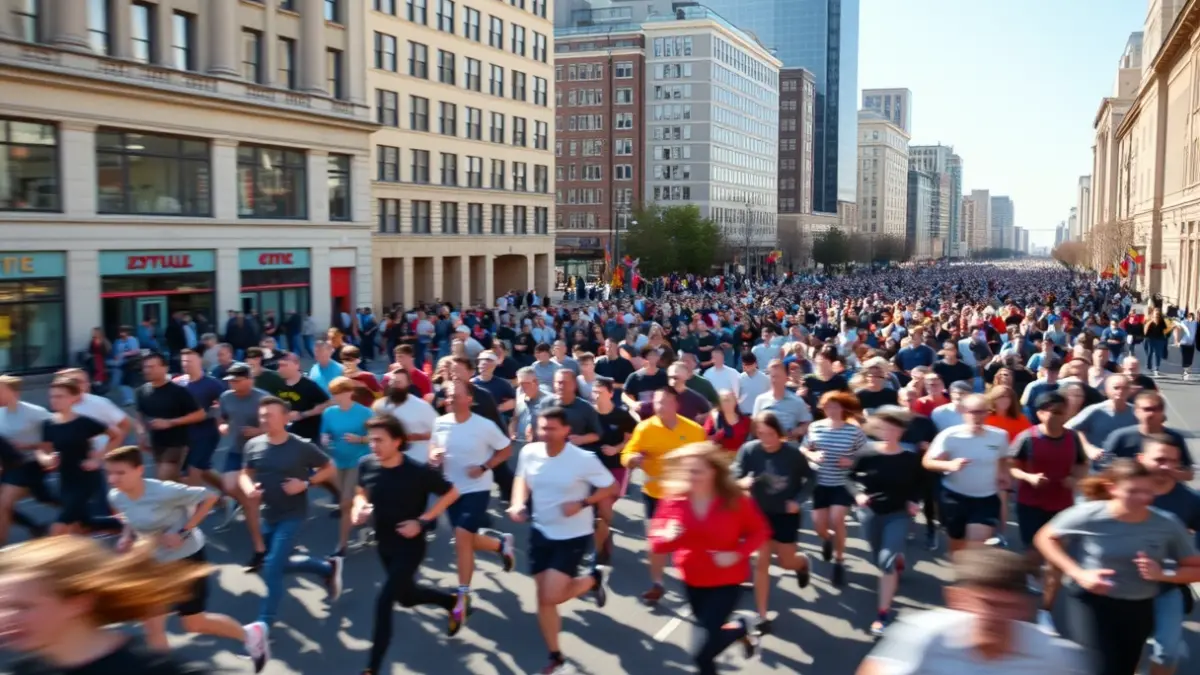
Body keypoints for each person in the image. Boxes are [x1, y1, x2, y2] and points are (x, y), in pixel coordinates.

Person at [103, 445, 268, 671]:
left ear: (139, 469)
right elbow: (129, 518)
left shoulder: (163, 491)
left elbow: (210, 496)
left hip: (186, 561)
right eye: (109, 473)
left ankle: (251, 635)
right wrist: (127, 535)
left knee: (194, 623)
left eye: (120, 473)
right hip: (153, 564)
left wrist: (183, 531)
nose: (113, 479)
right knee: (152, 625)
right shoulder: (116, 496)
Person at [1034, 459, 1199, 675]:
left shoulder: (1167, 524)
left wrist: (1162, 574)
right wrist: (1079, 573)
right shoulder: (1088, 514)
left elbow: (1195, 569)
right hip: (1090, 601)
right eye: (1133, 491)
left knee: (1124, 667)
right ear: (1113, 489)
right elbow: (1045, 537)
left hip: (1138, 606)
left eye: (1148, 492)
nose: (1142, 498)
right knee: (1100, 666)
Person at [0, 536, 215, 675]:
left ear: (77, 603)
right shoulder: (25, 669)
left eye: (22, 606)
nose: (5, 618)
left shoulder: (155, 671)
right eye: (2, 606)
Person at [855, 547, 1089, 675]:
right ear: (957, 600)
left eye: (1008, 607)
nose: (996, 617)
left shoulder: (1055, 658)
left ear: (1026, 608)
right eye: (987, 604)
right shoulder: (922, 636)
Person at [509, 407, 618, 675]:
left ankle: (593, 579)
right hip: (540, 531)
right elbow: (521, 478)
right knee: (543, 599)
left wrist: (583, 502)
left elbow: (610, 486)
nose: (545, 433)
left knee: (551, 595)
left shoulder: (583, 459)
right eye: (542, 428)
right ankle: (556, 658)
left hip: (572, 535)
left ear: (566, 431)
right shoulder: (529, 452)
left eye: (551, 429)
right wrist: (517, 503)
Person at [354, 415, 465, 675]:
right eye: (371, 440)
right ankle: (452, 601)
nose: (374, 446)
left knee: (384, 601)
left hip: (410, 545)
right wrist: (358, 510)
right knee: (405, 597)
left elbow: (452, 492)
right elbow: (361, 492)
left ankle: (372, 667)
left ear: (398, 441)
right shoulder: (366, 464)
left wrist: (423, 522)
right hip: (384, 543)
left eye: (380, 440)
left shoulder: (418, 472)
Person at [648, 442, 770, 675]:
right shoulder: (674, 500)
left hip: (726, 581)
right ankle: (740, 628)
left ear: (713, 471)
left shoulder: (735, 500)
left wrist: (737, 553)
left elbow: (760, 531)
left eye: (697, 471)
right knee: (710, 637)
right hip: (692, 580)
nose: (691, 477)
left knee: (701, 654)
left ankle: (738, 629)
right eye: (687, 471)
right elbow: (656, 542)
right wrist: (668, 536)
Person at [239, 396, 343, 636]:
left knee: (272, 568)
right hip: (269, 514)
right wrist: (247, 488)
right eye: (262, 415)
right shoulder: (253, 444)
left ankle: (263, 627)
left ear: (286, 418)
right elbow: (246, 473)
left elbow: (329, 467)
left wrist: (305, 483)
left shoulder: (301, 445)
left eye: (271, 415)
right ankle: (326, 568)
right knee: (279, 563)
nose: (265, 419)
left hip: (293, 514)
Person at [430, 381, 517, 628]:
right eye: (448, 396)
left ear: (469, 398)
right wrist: (433, 456)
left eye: (456, 395)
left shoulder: (484, 425)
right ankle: (501, 544)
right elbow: (433, 447)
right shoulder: (440, 422)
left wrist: (484, 467)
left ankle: (462, 595)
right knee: (466, 539)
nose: (451, 399)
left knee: (461, 537)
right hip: (450, 490)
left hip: (476, 489)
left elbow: (506, 450)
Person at [1006, 391, 1087, 625]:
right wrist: (1028, 477)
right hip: (1031, 503)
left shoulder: (1073, 438)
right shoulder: (1027, 438)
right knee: (1033, 554)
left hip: (1062, 507)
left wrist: (1075, 479)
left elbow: (1082, 465)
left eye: (1062, 412)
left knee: (1055, 560)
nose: (1058, 417)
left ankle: (1046, 610)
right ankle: (1031, 574)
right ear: (1040, 414)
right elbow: (1011, 465)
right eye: (1053, 412)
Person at [622, 387, 707, 605]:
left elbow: (705, 460)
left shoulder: (694, 430)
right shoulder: (644, 428)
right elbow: (627, 453)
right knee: (656, 542)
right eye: (657, 402)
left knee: (685, 541)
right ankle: (657, 584)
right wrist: (634, 459)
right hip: (654, 494)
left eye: (665, 402)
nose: (660, 406)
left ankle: (698, 581)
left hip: (684, 495)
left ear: (676, 404)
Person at [733, 412, 812, 627]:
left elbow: (811, 479)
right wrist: (742, 482)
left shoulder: (793, 454)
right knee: (761, 563)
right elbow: (734, 475)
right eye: (761, 434)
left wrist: (799, 500)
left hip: (786, 515)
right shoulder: (749, 450)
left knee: (786, 562)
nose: (766, 440)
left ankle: (801, 563)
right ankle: (762, 615)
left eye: (770, 434)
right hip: (758, 515)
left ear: (779, 433)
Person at [851, 406, 923, 636]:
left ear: (901, 431)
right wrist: (857, 494)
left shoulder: (910, 457)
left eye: (894, 428)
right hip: (871, 514)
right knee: (877, 558)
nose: (889, 432)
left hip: (898, 514)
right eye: (885, 428)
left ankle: (882, 614)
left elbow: (921, 485)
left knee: (886, 562)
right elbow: (848, 477)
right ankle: (896, 561)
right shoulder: (867, 453)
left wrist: (914, 500)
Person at [1139, 433, 1200, 675]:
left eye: (1172, 461)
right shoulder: (1123, 491)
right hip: (1120, 586)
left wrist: (1163, 573)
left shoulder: (1191, 501)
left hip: (1167, 588)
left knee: (1167, 652)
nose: (1166, 467)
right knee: (1126, 648)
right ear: (1141, 458)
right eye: (1159, 459)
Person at [922, 393, 1010, 552]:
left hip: (986, 498)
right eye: (972, 412)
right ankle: (961, 574)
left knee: (977, 543)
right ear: (963, 412)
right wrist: (949, 465)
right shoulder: (950, 435)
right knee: (956, 545)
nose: (977, 416)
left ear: (988, 412)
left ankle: (975, 574)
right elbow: (927, 462)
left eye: (982, 411)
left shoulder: (999, 436)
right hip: (954, 497)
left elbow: (1003, 458)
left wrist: (1003, 474)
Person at [40, 377, 124, 536]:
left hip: (86, 477)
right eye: (52, 396)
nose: (54, 400)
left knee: (60, 526)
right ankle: (129, 526)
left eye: (60, 396)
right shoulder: (48, 424)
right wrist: (47, 459)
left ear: (73, 398)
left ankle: (46, 557)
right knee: (85, 523)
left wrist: (98, 458)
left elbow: (116, 435)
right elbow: (43, 450)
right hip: (65, 480)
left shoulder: (84, 423)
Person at [799, 391, 867, 586]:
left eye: (836, 406)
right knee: (819, 526)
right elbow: (804, 448)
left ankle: (839, 561)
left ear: (843, 408)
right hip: (820, 483)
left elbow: (866, 454)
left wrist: (851, 460)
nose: (831, 410)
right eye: (828, 406)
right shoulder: (815, 427)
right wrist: (812, 456)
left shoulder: (853, 431)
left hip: (842, 483)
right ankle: (827, 539)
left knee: (837, 519)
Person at [321, 376, 375, 556]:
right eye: (333, 393)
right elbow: (324, 432)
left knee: (345, 503)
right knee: (351, 501)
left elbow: (376, 438)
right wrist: (325, 438)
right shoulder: (329, 413)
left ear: (350, 393)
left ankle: (342, 545)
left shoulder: (365, 413)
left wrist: (360, 439)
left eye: (339, 393)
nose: (335, 396)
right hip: (337, 461)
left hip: (358, 461)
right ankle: (368, 521)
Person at [0, 374, 55, 543]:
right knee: (45, 497)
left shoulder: (36, 412)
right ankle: (35, 527)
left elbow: (56, 436)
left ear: (15, 392)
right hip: (8, 466)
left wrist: (28, 447)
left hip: (31, 464)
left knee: (4, 505)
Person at [135, 352, 206, 482]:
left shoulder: (178, 391)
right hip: (156, 443)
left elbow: (200, 414)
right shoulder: (141, 391)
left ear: (165, 368)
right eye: (145, 367)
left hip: (177, 443)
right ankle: (203, 497)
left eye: (152, 367)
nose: (147, 370)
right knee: (173, 482)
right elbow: (140, 414)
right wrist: (141, 433)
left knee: (164, 481)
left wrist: (170, 422)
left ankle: (201, 497)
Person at [590, 376, 637, 564]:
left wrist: (616, 449)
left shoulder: (622, 416)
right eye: (593, 392)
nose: (596, 396)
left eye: (600, 392)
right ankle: (602, 542)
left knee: (604, 506)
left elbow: (632, 438)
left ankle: (602, 539)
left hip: (616, 467)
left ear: (610, 393)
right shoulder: (588, 413)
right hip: (592, 469)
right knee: (599, 508)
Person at [374, 370, 438, 463]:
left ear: (408, 385)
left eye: (399, 383)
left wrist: (418, 436)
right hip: (390, 459)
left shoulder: (421, 406)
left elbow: (439, 431)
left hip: (418, 460)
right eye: (393, 382)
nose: (395, 386)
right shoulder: (380, 406)